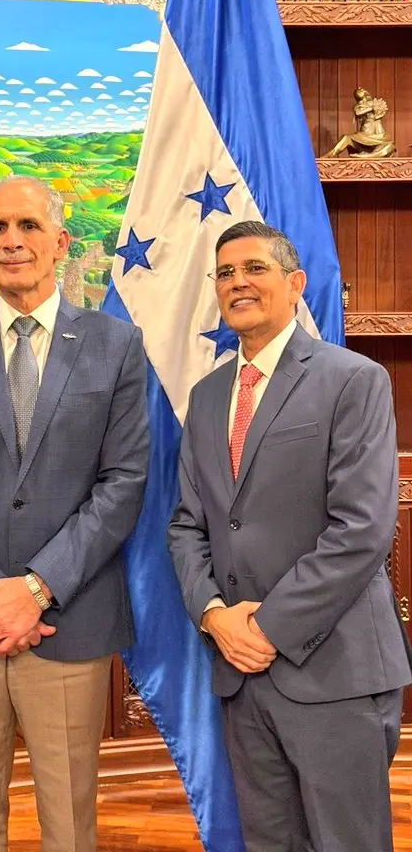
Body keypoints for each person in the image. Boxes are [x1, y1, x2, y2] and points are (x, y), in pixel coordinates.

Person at [0, 176, 149, 852]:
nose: (12, 240)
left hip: (65, 619)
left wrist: (36, 589)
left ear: (60, 241)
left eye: (28, 226)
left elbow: (123, 480)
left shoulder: (114, 345)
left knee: (69, 823)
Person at [167, 220, 412, 852]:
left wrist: (265, 628)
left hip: (333, 670)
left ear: (295, 283)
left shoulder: (353, 379)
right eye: (225, 273)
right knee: (269, 840)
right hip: (240, 674)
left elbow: (361, 528)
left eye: (254, 268)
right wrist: (216, 616)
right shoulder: (207, 394)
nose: (237, 283)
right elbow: (188, 524)